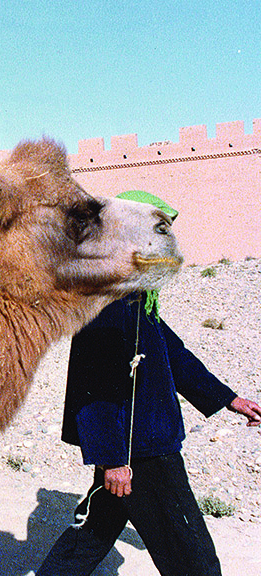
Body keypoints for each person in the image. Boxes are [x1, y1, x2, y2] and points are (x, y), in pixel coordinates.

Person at [36, 192, 261, 576]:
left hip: (135, 446)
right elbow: (95, 389)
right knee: (192, 556)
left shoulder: (136, 300)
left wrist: (229, 399)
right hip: (142, 453)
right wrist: (113, 460)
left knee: (89, 538)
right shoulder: (105, 306)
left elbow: (175, 355)